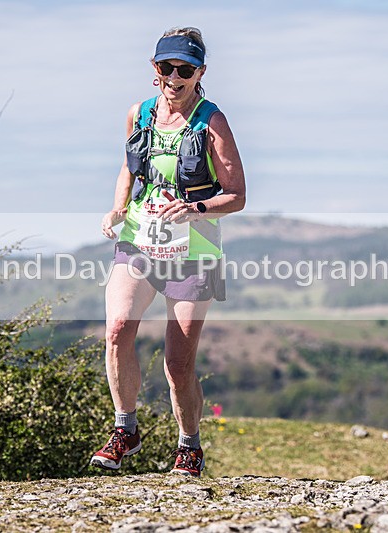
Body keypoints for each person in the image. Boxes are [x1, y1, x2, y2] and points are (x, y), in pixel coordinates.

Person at [90, 27, 245, 477]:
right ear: (154, 68)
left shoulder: (212, 121)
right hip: (139, 239)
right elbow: (128, 165)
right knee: (118, 329)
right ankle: (126, 430)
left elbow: (236, 195)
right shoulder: (139, 113)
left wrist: (195, 207)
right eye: (166, 67)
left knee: (178, 363)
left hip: (194, 250)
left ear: (200, 73)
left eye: (185, 69)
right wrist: (119, 207)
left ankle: (189, 446)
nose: (174, 77)